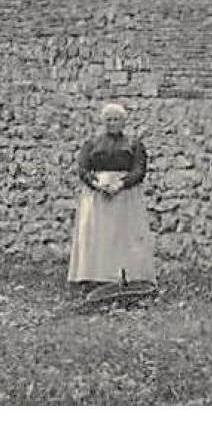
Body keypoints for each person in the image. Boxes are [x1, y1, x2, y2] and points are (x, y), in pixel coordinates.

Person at [67, 101, 156, 291]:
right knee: (97, 234)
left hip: (125, 197)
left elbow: (139, 169)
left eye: (116, 119)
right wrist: (96, 184)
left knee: (124, 235)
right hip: (97, 196)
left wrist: (121, 184)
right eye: (108, 120)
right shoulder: (92, 143)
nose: (112, 123)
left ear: (123, 122)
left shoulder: (134, 144)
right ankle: (94, 276)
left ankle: (129, 276)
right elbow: (83, 168)